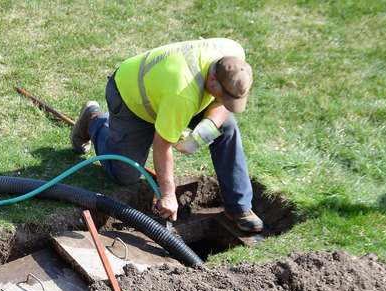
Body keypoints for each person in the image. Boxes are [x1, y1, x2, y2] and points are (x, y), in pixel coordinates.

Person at [71, 38, 263, 233]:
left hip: (165, 91)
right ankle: (94, 120)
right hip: (132, 98)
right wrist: (169, 195)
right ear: (212, 80)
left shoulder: (233, 55)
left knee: (227, 127)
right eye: (224, 96)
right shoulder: (182, 93)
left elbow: (222, 106)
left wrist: (203, 134)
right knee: (125, 175)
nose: (225, 102)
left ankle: (239, 206)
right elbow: (162, 146)